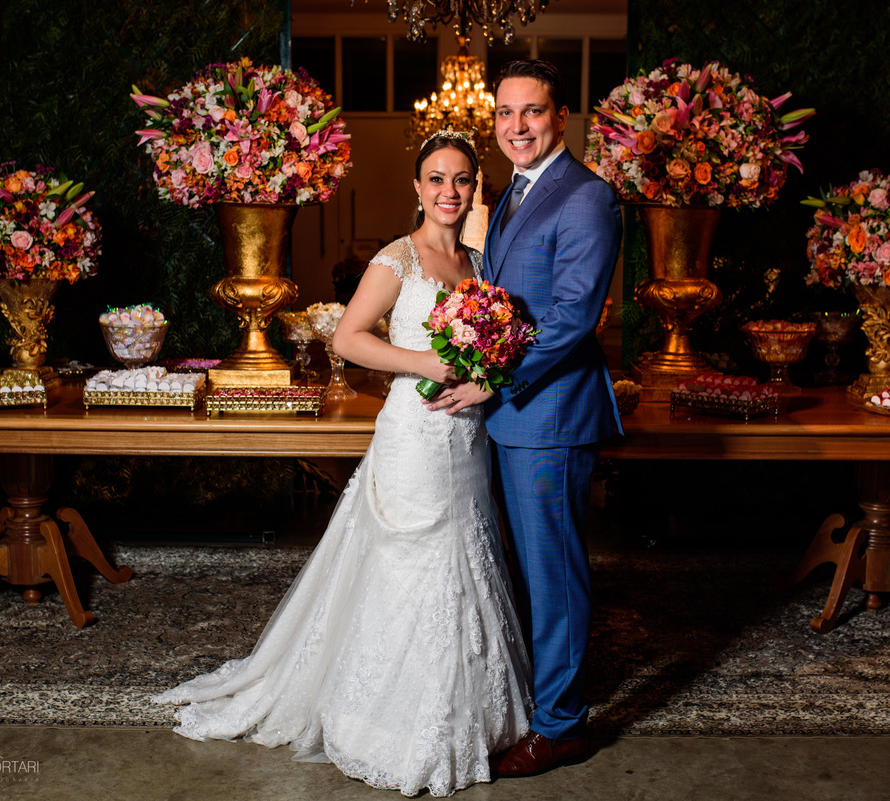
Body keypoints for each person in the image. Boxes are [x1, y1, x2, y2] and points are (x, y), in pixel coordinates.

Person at [153, 132, 533, 798]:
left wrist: (484, 374)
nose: (449, 191)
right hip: (415, 435)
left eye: (461, 179)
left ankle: (471, 707)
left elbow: (494, 347)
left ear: (476, 188)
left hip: (469, 438)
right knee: (413, 560)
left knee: (469, 552)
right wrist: (421, 361)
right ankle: (391, 719)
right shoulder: (397, 258)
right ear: (417, 188)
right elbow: (350, 337)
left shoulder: (479, 262)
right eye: (437, 178)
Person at [426, 59, 623, 777]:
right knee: (520, 570)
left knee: (552, 573)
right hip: (513, 416)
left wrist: (490, 377)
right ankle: (537, 699)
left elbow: (573, 316)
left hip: (551, 414)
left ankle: (562, 726)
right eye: (505, 113)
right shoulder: (511, 190)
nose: (516, 126)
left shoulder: (587, 195)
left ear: (560, 116)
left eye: (531, 111)